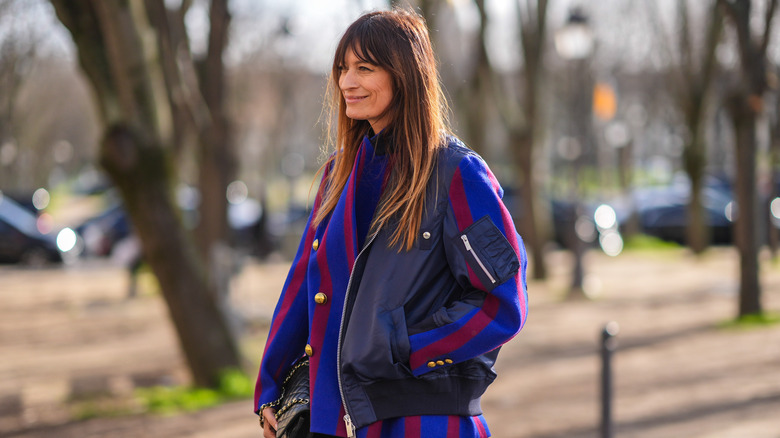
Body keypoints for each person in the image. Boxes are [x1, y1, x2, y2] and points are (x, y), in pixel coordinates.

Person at [254, 8, 528, 438]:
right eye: (342, 68)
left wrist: (404, 349)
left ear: (404, 74)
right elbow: (305, 286)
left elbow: (502, 304)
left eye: (364, 67)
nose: (347, 82)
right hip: (334, 421)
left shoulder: (457, 173)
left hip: (426, 423)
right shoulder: (336, 175)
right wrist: (270, 387)